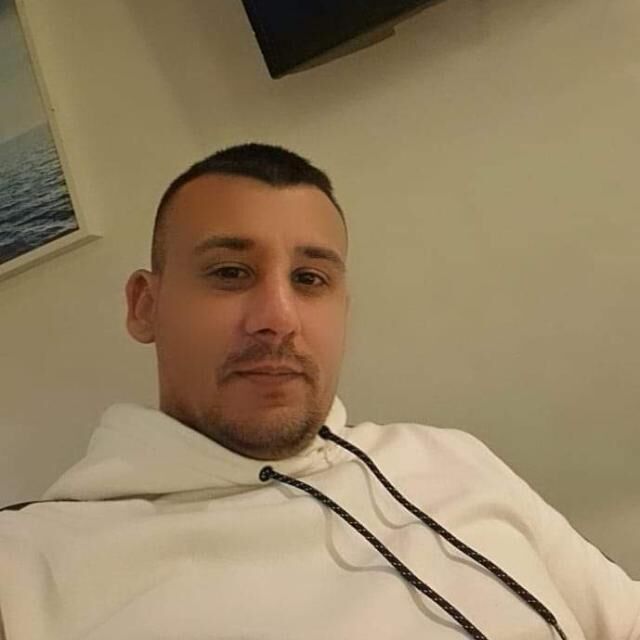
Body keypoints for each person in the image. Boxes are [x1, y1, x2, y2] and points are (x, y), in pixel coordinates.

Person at [0, 144, 638, 640]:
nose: (278, 318)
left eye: (309, 279)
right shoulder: (26, 572)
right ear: (146, 306)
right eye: (230, 272)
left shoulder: (451, 458)